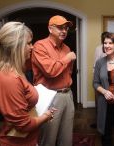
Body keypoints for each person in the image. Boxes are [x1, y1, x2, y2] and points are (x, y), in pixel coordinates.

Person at [0, 21, 56, 146]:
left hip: (28, 140)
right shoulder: (9, 78)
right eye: (28, 43)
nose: (32, 47)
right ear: (16, 46)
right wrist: (45, 116)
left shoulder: (17, 69)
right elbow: (24, 125)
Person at [31, 15, 76, 146]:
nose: (64, 31)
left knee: (66, 138)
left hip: (67, 94)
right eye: (60, 28)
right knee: (48, 138)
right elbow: (50, 71)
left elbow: (68, 72)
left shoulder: (66, 48)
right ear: (50, 29)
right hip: (50, 96)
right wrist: (67, 58)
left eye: (66, 28)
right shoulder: (40, 46)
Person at [91, 31, 108, 129]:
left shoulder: (110, 48)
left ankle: (106, 123)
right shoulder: (99, 48)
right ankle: (100, 122)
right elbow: (96, 64)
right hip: (100, 78)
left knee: (104, 101)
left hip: (106, 77)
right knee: (99, 101)